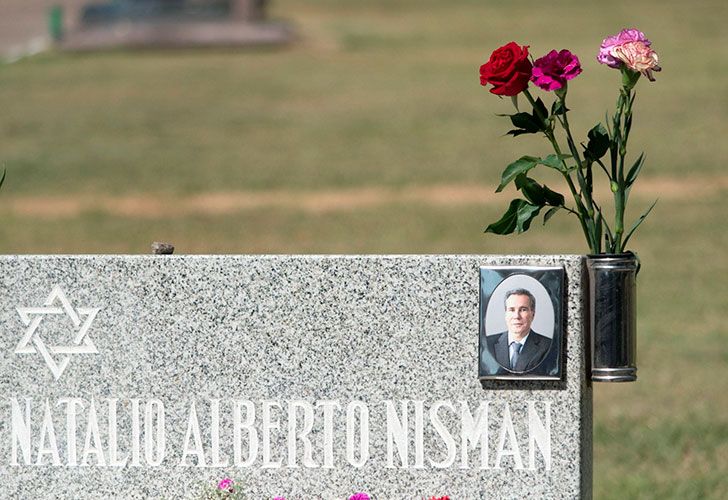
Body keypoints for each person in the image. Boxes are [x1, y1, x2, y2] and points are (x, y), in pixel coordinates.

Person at [486, 288, 552, 373]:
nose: (517, 316)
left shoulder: (547, 346)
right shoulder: (488, 343)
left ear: (533, 314)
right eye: (511, 310)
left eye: (523, 309)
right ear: (505, 314)